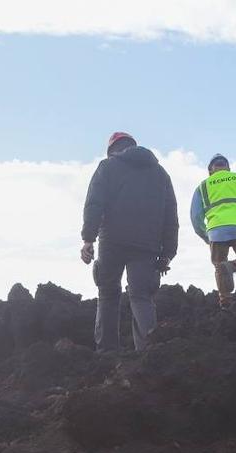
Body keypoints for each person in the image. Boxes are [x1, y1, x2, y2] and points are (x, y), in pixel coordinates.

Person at [80, 131, 179, 352]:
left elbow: (94, 204)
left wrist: (88, 238)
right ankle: (148, 354)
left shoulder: (107, 167)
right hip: (147, 245)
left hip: (112, 241)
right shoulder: (160, 174)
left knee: (107, 293)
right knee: (141, 297)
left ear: (112, 150)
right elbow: (170, 214)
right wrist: (168, 252)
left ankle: (106, 353)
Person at [189, 154, 236, 309]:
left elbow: (195, 217)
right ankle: (232, 266)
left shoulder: (202, 187)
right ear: (228, 168)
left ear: (210, 171)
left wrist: (205, 236)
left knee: (219, 266)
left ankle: (225, 301)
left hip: (216, 231)